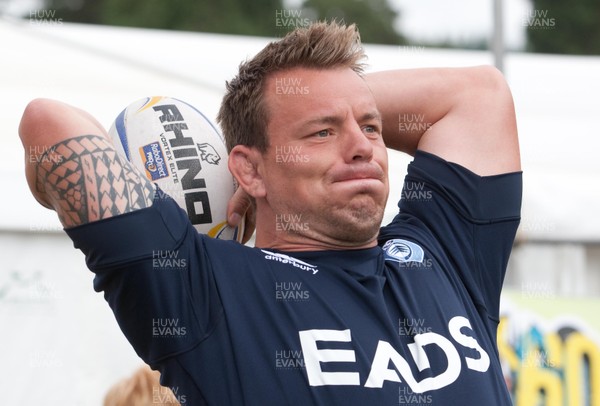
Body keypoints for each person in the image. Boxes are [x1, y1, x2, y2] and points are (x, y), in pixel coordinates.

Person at [19, 21, 521, 405]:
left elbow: (479, 95)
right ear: (250, 171)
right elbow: (49, 124)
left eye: (371, 127)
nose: (362, 147)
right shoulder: (204, 288)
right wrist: (227, 144)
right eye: (322, 132)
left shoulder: (446, 252)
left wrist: (307, 108)